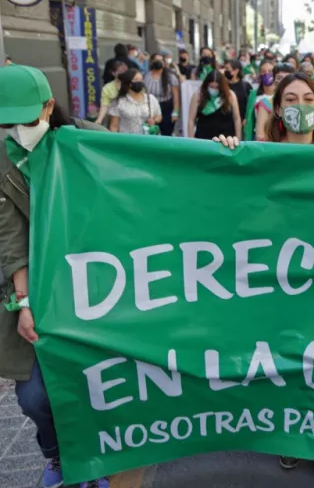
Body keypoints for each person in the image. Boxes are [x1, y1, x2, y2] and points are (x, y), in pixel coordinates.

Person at [0, 64, 111, 488]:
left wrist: (219, 150)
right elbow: (9, 238)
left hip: (100, 285)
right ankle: (58, 456)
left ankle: (95, 458)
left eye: (24, 120)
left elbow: (155, 166)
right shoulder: (4, 158)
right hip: (39, 291)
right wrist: (23, 303)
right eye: (6, 122)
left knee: (97, 383)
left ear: (49, 106)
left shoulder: (89, 141)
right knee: (34, 397)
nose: (15, 130)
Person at [187, 70, 241, 140]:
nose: (214, 90)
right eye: (211, 87)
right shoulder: (198, 96)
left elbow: (236, 118)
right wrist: (191, 140)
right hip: (203, 138)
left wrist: (238, 138)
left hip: (226, 139)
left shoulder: (230, 96)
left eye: (217, 87)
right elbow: (191, 119)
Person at [108, 69, 162, 134]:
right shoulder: (118, 102)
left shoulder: (151, 99)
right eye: (136, 80)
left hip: (148, 140)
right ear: (128, 83)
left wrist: (154, 120)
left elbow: (159, 116)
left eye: (141, 79)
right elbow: (114, 126)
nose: (139, 82)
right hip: (128, 141)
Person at [253, 63, 295, 141]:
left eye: (287, 79)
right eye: (279, 78)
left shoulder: (299, 103)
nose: (282, 82)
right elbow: (260, 135)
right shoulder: (266, 103)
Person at [144, 52, 180, 135]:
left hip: (166, 108)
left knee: (166, 133)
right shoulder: (147, 76)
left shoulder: (170, 76)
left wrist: (175, 112)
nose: (158, 62)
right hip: (151, 108)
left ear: (164, 63)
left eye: (161, 60)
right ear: (152, 61)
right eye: (156, 60)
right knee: (151, 131)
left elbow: (176, 95)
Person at [225, 59, 252, 126]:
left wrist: (246, 119)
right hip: (225, 124)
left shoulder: (246, 86)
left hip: (241, 123)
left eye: (227, 69)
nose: (225, 71)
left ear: (236, 70)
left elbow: (250, 105)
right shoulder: (222, 85)